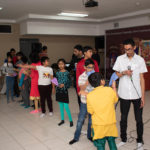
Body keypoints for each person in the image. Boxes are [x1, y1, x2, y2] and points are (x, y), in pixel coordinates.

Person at [113, 39, 147, 150]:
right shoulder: (120, 59)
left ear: (134, 47)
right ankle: (123, 139)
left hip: (136, 94)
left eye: (129, 49)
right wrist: (123, 72)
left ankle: (140, 141)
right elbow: (116, 74)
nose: (127, 51)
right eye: (125, 49)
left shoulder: (140, 60)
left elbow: (142, 79)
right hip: (123, 94)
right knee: (123, 118)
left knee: (139, 119)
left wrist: (143, 96)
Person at [87, 72, 118, 150]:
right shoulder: (109, 90)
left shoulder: (90, 95)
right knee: (112, 143)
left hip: (98, 126)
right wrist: (114, 88)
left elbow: (90, 111)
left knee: (100, 145)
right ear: (102, 81)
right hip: (110, 123)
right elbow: (115, 99)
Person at [69, 59, 95, 145]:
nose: (91, 69)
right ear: (84, 67)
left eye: (92, 67)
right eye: (89, 67)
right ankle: (76, 137)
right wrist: (87, 82)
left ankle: (89, 136)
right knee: (80, 120)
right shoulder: (81, 77)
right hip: (84, 102)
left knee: (91, 121)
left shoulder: (96, 75)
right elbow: (81, 89)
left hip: (93, 102)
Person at [56, 59, 73, 127]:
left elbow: (69, 82)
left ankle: (71, 120)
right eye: (59, 64)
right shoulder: (57, 72)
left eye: (62, 64)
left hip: (64, 91)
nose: (61, 65)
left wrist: (64, 85)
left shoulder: (67, 73)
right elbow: (54, 80)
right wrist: (57, 85)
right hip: (58, 91)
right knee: (60, 106)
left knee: (66, 106)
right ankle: (62, 120)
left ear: (65, 65)